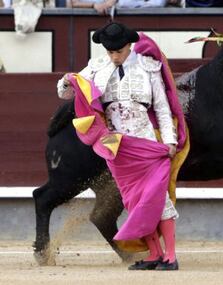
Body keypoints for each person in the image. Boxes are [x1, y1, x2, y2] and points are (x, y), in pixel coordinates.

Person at [57, 22, 188, 271]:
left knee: (157, 200)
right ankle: (154, 254)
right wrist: (66, 81)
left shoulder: (149, 66)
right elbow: (66, 94)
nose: (114, 56)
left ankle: (170, 257)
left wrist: (169, 140)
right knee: (135, 202)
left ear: (129, 46)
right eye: (110, 52)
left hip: (146, 141)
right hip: (115, 144)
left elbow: (162, 107)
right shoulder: (96, 67)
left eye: (118, 51)